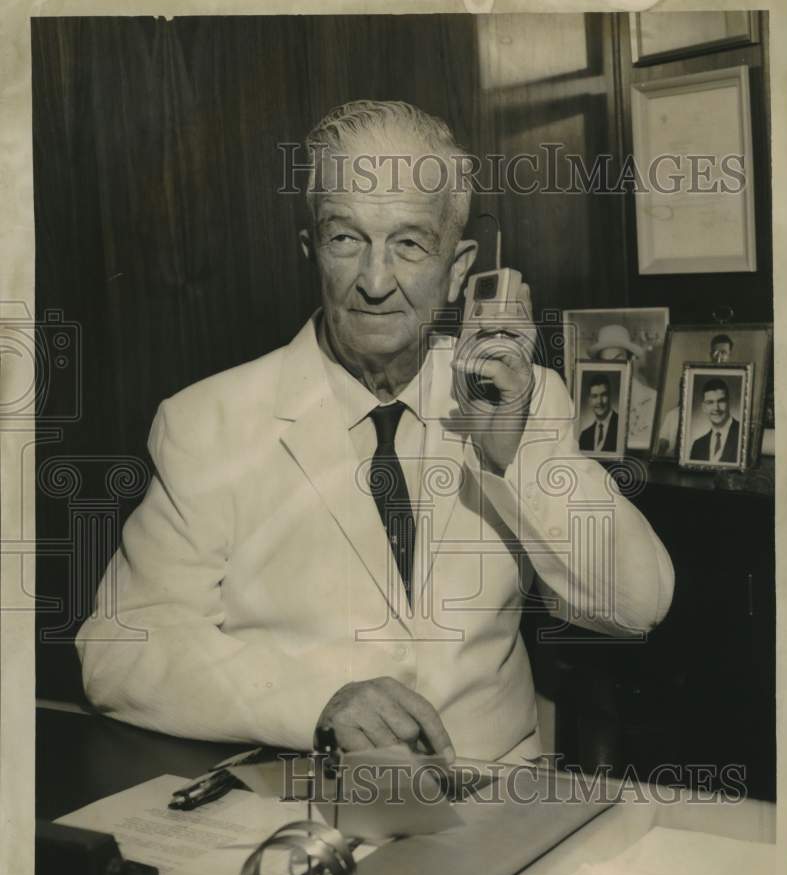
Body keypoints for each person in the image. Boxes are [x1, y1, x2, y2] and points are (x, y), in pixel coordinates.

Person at [76, 100, 674, 762]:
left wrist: (517, 457)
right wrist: (318, 704)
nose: (374, 280)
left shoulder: (523, 400)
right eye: (345, 238)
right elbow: (121, 647)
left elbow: (633, 605)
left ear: (457, 268)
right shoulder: (207, 422)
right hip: (304, 804)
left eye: (409, 243)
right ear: (311, 251)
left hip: (495, 801)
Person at [656, 333, 735, 458]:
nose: (719, 356)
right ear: (710, 354)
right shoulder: (696, 372)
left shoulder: (736, 376)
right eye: (715, 352)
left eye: (724, 352)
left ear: (730, 354)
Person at [588, 324, 655, 450]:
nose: (613, 366)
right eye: (606, 361)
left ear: (630, 359)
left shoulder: (652, 398)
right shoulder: (595, 402)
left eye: (618, 359)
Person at [689, 378, 740, 463]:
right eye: (710, 402)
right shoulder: (698, 445)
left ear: (729, 403)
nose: (716, 408)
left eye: (721, 401)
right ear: (704, 407)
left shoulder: (744, 435)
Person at [578, 373, 618, 452]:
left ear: (610, 396)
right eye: (594, 396)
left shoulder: (621, 426)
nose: (599, 401)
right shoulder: (585, 435)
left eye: (603, 395)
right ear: (589, 400)